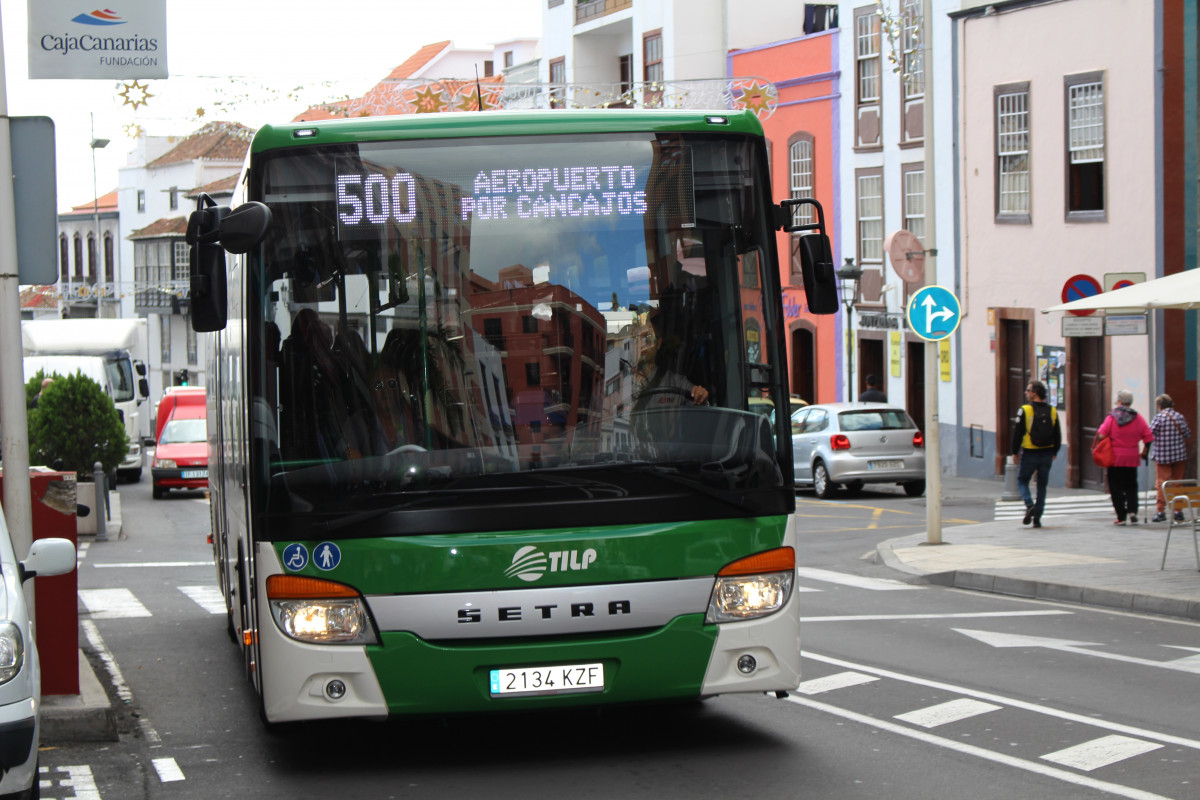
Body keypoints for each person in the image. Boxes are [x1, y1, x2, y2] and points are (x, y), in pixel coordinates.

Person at [1095, 390, 1154, 526]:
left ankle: (1121, 516)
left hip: (1114, 458)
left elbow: (1102, 435)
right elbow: (1148, 436)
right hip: (1132, 457)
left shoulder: (1112, 417)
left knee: (1116, 487)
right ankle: (1133, 511)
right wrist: (1145, 451)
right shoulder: (1137, 418)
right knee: (1131, 485)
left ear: (1120, 402)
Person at [1010, 380, 1062, 528]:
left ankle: (1029, 504)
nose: (1026, 393)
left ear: (1035, 393)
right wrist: (1055, 451)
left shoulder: (1025, 410)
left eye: (1028, 390)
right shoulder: (1052, 410)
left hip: (1030, 452)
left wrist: (1014, 452)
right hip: (1047, 452)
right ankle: (1037, 518)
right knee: (1042, 485)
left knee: (1022, 480)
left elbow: (1018, 433)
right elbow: (1057, 433)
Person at [1147, 393, 1191, 523]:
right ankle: (1178, 512)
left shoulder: (1159, 418)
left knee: (1161, 483)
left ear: (1159, 406)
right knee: (1177, 482)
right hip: (1179, 455)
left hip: (1162, 456)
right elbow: (1187, 433)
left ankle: (1161, 511)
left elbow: (1150, 434)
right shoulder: (1180, 417)